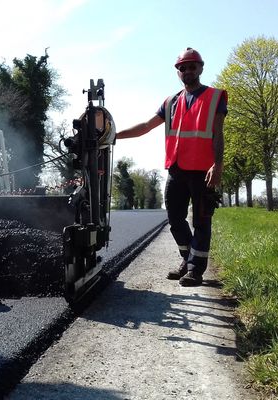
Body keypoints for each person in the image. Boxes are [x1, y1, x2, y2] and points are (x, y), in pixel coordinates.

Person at [116, 48, 227, 287]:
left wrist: (217, 165)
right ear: (178, 72)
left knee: (201, 220)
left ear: (201, 67)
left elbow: (218, 135)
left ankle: (195, 271)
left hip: (202, 170)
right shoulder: (170, 102)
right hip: (176, 170)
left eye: (192, 66)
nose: (187, 70)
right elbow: (146, 126)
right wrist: (113, 136)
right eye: (182, 67)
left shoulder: (215, 97)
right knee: (175, 218)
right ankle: (187, 260)